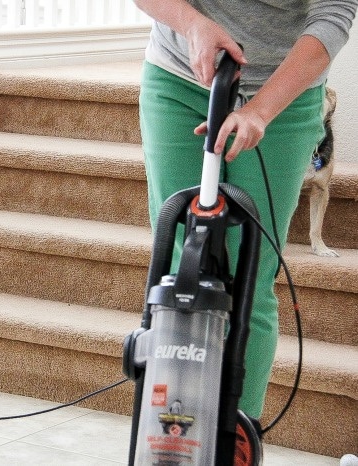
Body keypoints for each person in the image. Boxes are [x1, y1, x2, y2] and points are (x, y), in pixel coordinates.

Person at [133, 0, 357, 421]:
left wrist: (259, 110)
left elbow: (333, 15)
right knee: (180, 270)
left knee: (249, 276)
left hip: (283, 92)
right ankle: (172, 430)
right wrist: (192, 23)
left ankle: (238, 434)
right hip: (180, 75)